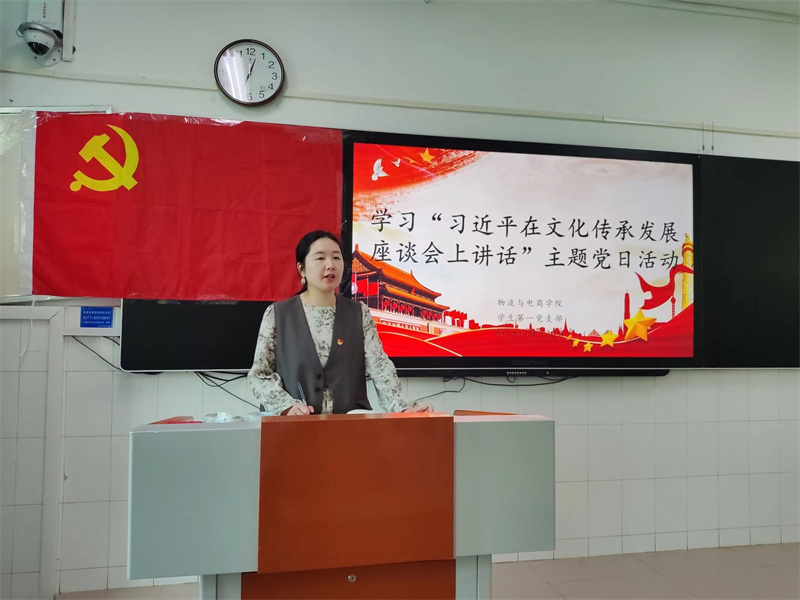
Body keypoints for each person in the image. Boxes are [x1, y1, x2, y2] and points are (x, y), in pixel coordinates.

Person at [248, 230, 432, 416]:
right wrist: (286, 406)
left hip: (347, 426)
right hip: (292, 426)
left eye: (336, 257)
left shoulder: (358, 313)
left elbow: (380, 366)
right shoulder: (278, 314)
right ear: (301, 269)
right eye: (320, 258)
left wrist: (403, 407)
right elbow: (259, 375)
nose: (330, 265)